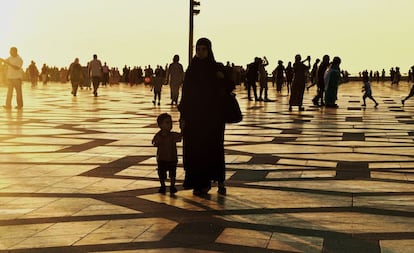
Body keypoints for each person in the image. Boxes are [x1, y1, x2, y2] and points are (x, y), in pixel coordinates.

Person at [178, 37, 231, 196]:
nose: (200, 53)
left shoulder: (216, 68)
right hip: (194, 117)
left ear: (209, 50)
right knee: (195, 150)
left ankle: (215, 180)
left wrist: (222, 79)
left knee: (212, 149)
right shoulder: (192, 70)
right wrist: (183, 116)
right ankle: (198, 182)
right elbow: (186, 94)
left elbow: (229, 87)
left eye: (203, 49)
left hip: (212, 118)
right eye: (198, 49)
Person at [152, 113, 182, 194]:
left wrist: (183, 128)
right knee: (161, 173)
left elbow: (180, 137)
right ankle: (163, 185)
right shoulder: (159, 135)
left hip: (172, 158)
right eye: (167, 123)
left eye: (171, 122)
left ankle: (172, 186)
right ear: (160, 125)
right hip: (161, 158)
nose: (170, 125)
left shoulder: (172, 135)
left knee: (172, 173)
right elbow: (154, 142)